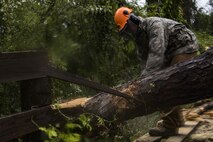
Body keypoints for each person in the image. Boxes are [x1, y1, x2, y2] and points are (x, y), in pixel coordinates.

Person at [114, 7, 199, 136]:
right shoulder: (140, 39)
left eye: (128, 28)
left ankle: (170, 126)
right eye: (126, 32)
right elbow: (145, 63)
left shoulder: (154, 25)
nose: (129, 33)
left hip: (184, 46)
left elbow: (156, 55)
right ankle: (177, 120)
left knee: (168, 83)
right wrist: (139, 83)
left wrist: (147, 80)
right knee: (162, 83)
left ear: (134, 19)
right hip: (170, 52)